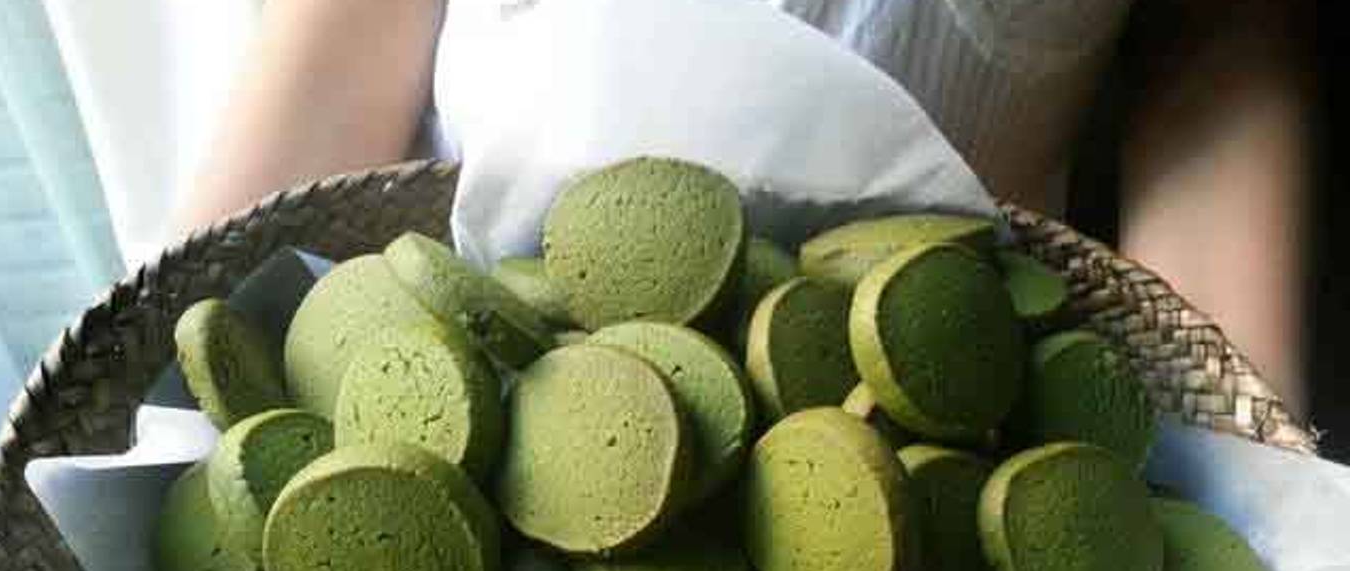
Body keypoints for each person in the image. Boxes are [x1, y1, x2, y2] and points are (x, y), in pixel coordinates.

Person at [179, 0, 1310, 412]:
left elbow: (1213, 41)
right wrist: (190, 379)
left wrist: (1243, 444)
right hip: (458, 379)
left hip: (947, 429)